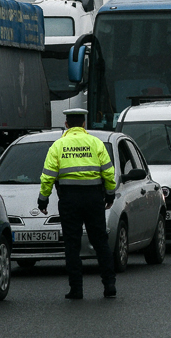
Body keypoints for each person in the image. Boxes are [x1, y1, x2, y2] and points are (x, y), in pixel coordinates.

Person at [38, 108, 117, 300]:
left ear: (66, 124)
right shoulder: (96, 143)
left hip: (69, 200)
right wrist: (110, 194)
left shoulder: (58, 145)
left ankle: (76, 289)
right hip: (93, 198)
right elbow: (108, 172)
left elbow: (48, 175)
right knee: (100, 242)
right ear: (84, 124)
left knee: (72, 244)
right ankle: (109, 286)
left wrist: (43, 197)